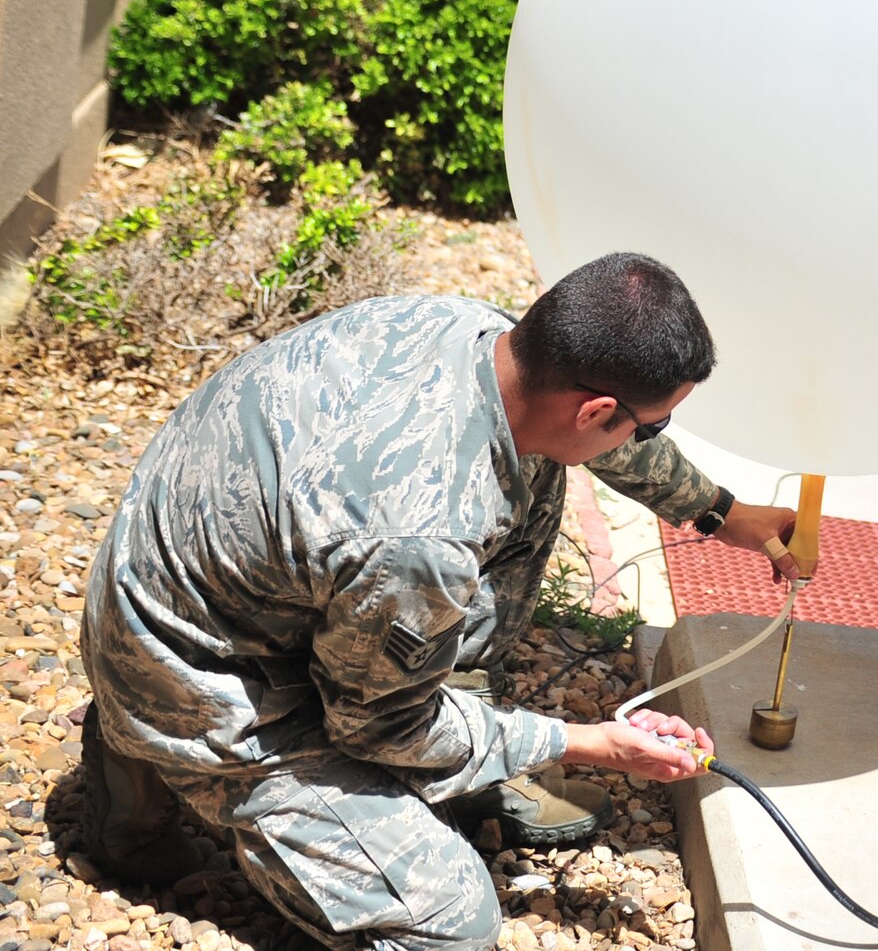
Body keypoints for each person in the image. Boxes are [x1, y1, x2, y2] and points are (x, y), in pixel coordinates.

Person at [80, 252, 800, 950]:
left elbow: (595, 436)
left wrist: (724, 512)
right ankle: (149, 765)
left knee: (533, 468)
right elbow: (377, 726)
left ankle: (437, 748)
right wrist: (586, 743)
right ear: (599, 409)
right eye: (653, 424)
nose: (649, 437)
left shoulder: (472, 332)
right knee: (451, 921)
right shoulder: (422, 536)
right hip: (193, 678)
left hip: (176, 580)